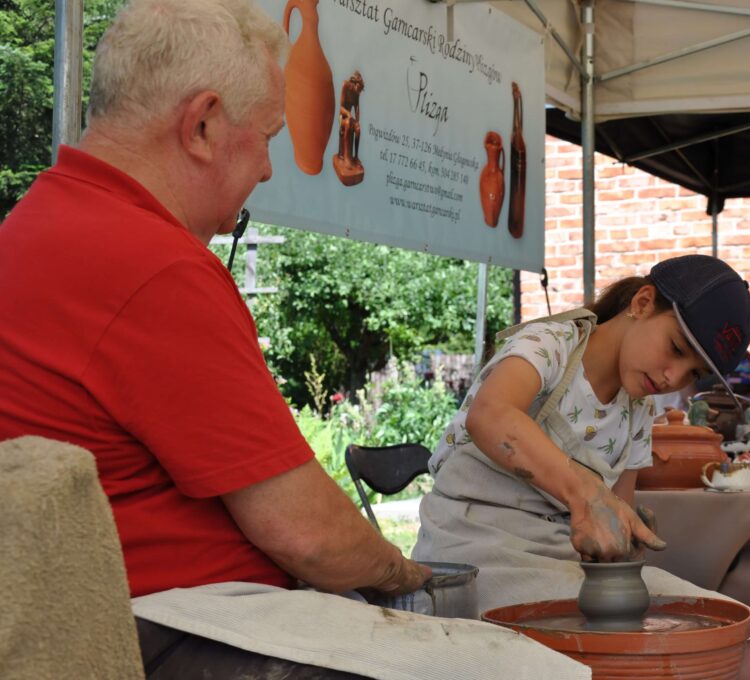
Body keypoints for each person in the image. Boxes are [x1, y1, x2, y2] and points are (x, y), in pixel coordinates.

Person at [0, 2, 544, 677]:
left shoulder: (40, 220)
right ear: (200, 125)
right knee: (518, 669)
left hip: (125, 608)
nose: (265, 170)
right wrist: (403, 573)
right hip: (168, 626)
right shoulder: (151, 262)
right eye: (266, 137)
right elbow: (308, 535)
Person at [412, 254, 750, 677]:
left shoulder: (637, 410)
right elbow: (490, 416)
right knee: (599, 651)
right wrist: (585, 493)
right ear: (642, 303)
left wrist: (626, 532)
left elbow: (613, 529)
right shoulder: (550, 344)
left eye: (691, 372)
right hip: (473, 547)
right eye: (676, 349)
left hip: (560, 560)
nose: (672, 377)